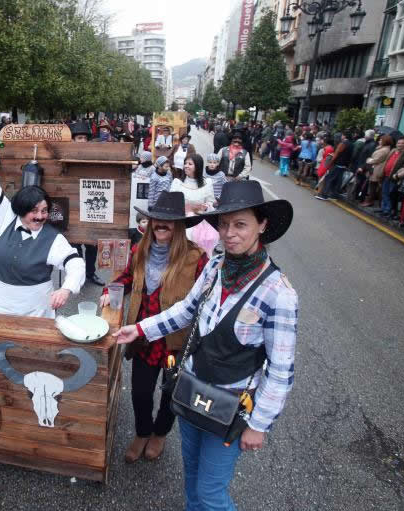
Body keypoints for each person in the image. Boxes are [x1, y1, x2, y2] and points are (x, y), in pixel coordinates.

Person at [114, 181, 297, 511]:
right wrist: (139, 328)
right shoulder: (215, 267)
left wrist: (258, 425)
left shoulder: (279, 293)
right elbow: (185, 311)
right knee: (192, 477)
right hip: (191, 391)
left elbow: (281, 370)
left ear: (262, 225)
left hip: (229, 407)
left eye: (240, 224)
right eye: (224, 224)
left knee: (212, 494)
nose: (229, 233)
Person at [101, 191, 207, 463]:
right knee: (140, 391)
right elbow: (125, 277)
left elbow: (206, 300)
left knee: (171, 392)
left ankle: (160, 433)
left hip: (176, 340)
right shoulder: (140, 250)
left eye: (169, 220)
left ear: (180, 225)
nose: (162, 224)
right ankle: (142, 431)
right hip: (143, 337)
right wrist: (109, 290)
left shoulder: (197, 257)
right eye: (157, 218)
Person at [0, 146, 85, 318]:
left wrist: (66, 289)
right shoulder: (7, 217)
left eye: (44, 211)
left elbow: (75, 263)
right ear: (21, 209)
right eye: (34, 211)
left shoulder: (52, 238)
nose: (40, 217)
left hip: (37, 308)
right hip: (2, 304)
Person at [68, 120, 105, 286]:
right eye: (78, 138)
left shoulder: (95, 154)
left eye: (84, 138)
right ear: (73, 140)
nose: (81, 141)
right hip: (73, 205)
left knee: (92, 244)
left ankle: (90, 273)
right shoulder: (67, 154)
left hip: (90, 202)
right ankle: (80, 273)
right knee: (75, 244)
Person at [378, 137, 404, 218]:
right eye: (398, 143)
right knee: (384, 193)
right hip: (386, 175)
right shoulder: (393, 151)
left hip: (395, 178)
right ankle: (383, 208)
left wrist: (398, 175)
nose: (399, 145)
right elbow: (387, 161)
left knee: (390, 194)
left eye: (402, 143)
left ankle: (388, 210)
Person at [362, 134, 394, 207]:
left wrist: (369, 160)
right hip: (376, 168)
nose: (379, 141)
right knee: (373, 186)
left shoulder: (384, 150)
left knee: (373, 186)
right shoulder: (383, 148)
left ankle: (370, 201)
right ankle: (370, 201)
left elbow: (375, 160)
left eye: (381, 140)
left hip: (377, 169)